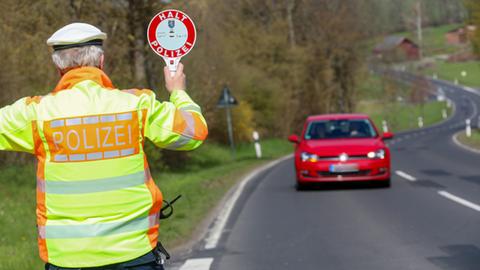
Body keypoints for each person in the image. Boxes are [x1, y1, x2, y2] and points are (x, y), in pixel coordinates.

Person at [0, 23, 208, 269]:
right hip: (135, 254)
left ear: (58, 65)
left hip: (67, 259)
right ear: (101, 61)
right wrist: (178, 92)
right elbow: (193, 132)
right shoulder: (137, 104)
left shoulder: (35, 113)